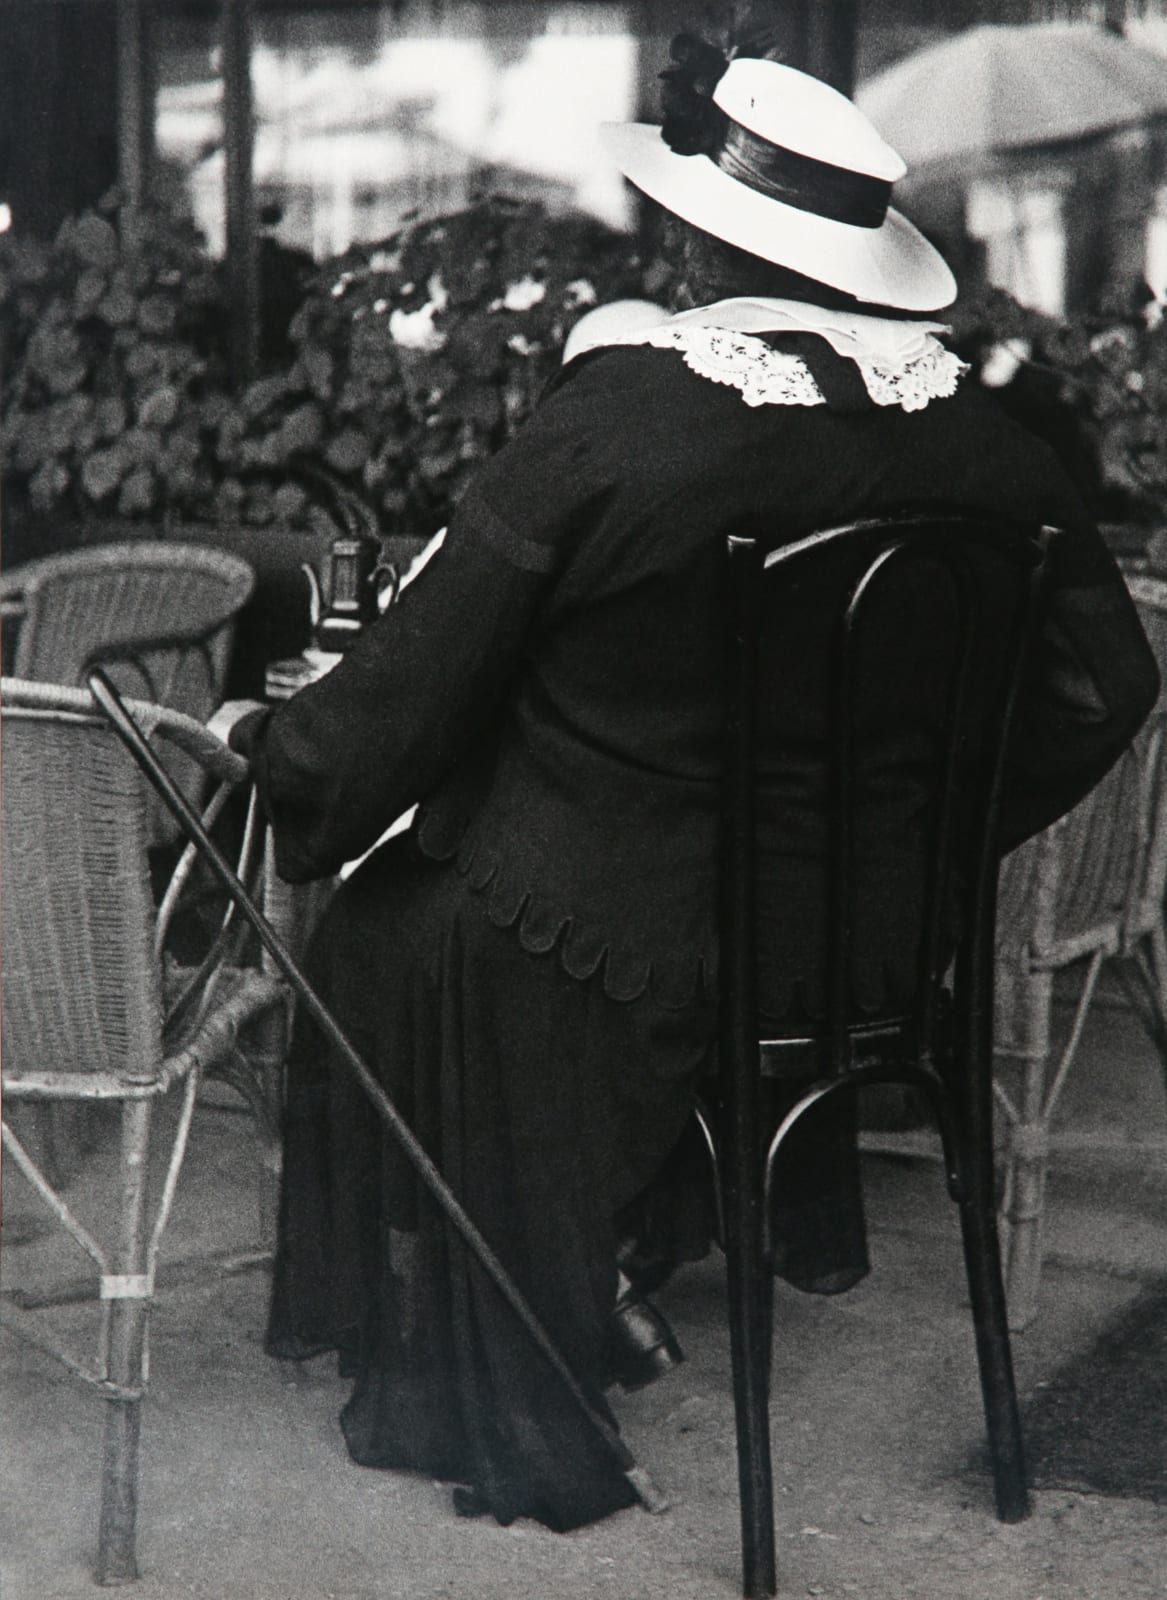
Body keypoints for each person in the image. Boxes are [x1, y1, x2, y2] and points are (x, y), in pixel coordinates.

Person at [224, 50, 1158, 1532]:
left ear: (701, 242)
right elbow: (1115, 687)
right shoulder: (994, 450)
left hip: (616, 954)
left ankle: (543, 1307)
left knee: (380, 935)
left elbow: (417, 681)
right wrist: (923, 843)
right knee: (500, 902)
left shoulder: (621, 422)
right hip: (853, 954)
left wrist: (278, 756)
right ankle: (610, 1264)